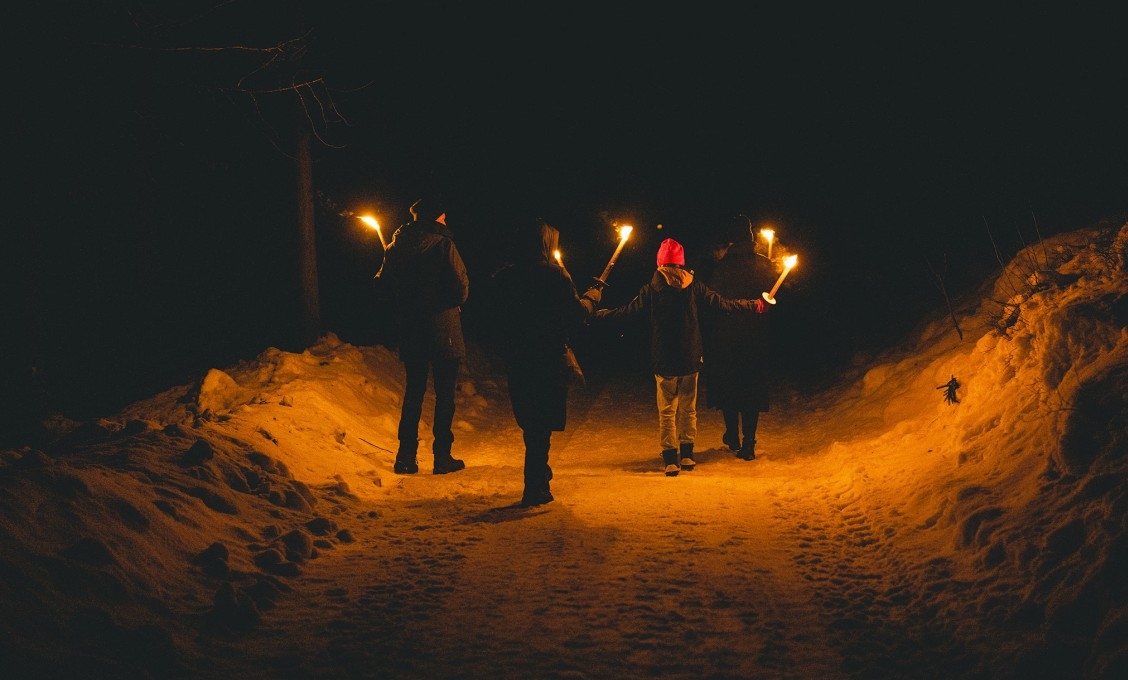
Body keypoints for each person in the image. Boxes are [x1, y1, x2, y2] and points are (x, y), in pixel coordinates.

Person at [594, 237, 765, 476]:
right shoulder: (694, 285)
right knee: (688, 409)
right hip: (690, 357)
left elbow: (628, 313)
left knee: (667, 411)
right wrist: (753, 305)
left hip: (664, 359)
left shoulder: (652, 287)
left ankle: (670, 458)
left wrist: (601, 315)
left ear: (661, 262)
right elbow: (722, 304)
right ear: (680, 262)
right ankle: (687, 455)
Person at [484, 219, 602, 507]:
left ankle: (538, 477)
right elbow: (577, 315)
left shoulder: (503, 277)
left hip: (518, 359)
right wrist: (592, 297)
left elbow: (492, 320)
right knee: (541, 425)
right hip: (548, 357)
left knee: (531, 422)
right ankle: (535, 485)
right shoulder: (555, 277)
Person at [374, 196, 469, 475]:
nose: (445, 220)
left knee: (414, 391)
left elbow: (382, 285)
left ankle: (405, 457)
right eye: (442, 217)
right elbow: (461, 285)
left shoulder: (396, 246)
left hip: (412, 328)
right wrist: (451, 300)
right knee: (445, 394)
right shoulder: (443, 245)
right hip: (443, 329)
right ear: (434, 218)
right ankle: (442, 457)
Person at [700, 215, 775, 461]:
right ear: (751, 238)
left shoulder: (722, 267)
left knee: (730, 386)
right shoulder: (764, 264)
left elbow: (714, 302)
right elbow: (774, 300)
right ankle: (748, 442)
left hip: (727, 337)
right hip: (755, 337)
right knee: (751, 388)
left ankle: (732, 434)